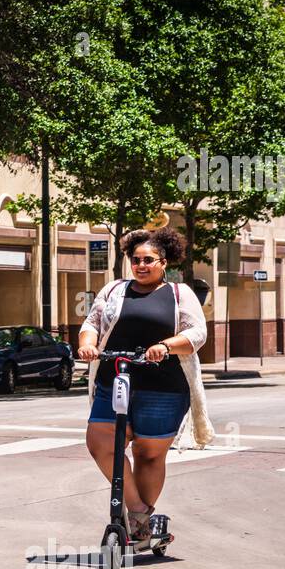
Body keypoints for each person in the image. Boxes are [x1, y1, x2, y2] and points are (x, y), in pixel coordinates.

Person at [77, 228, 212, 543]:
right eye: (135, 260)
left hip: (163, 386)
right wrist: (87, 344)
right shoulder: (114, 290)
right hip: (115, 379)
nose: (141, 265)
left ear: (163, 262)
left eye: (148, 260)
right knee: (100, 442)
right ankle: (138, 512)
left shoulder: (179, 294)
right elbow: (92, 323)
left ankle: (139, 526)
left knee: (149, 455)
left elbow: (196, 334)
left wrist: (165, 346)